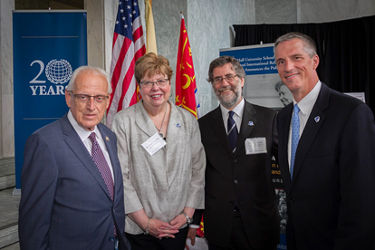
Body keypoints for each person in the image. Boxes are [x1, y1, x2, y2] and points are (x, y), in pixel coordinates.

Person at [274, 32, 375, 250]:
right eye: (281, 61)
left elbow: (362, 199)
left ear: (315, 61)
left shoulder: (351, 112)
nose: (288, 67)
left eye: (296, 58)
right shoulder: (282, 118)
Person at [18, 66, 131, 250]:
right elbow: (33, 222)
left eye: (99, 98)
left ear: (107, 101)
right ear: (69, 97)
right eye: (83, 97)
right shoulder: (44, 143)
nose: (91, 106)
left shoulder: (109, 136)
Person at [111, 52, 205, 250]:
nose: (155, 88)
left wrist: (187, 215)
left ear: (169, 83)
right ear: (139, 86)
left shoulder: (187, 120)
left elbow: (198, 169)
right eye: (147, 82)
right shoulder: (123, 121)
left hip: (176, 226)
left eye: (161, 80)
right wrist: (145, 222)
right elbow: (121, 176)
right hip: (137, 230)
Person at [188, 56, 280, 250]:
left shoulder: (269, 118)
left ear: (242, 80)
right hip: (220, 226)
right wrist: (194, 221)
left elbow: (286, 165)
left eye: (229, 76)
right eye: (217, 79)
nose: (224, 83)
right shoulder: (202, 126)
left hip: (260, 223)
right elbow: (198, 176)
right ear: (213, 85)